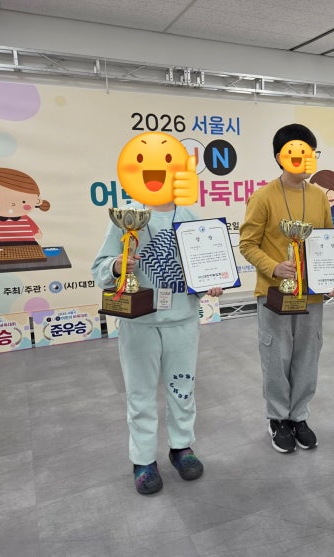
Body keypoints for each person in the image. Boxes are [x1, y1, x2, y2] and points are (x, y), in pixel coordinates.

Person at [92, 131, 222, 494]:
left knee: (182, 388)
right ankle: (143, 459)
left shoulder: (190, 215)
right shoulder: (127, 215)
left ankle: (182, 447)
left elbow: (203, 264)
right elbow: (100, 268)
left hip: (183, 320)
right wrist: (118, 266)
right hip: (140, 323)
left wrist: (213, 281)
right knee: (140, 393)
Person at [239, 123, 334, 454]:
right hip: (275, 294)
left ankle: (299, 416)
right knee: (276, 356)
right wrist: (273, 267)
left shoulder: (319, 197)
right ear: (279, 157)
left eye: (309, 152)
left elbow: (327, 241)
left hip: (311, 295)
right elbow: (247, 244)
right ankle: (277, 418)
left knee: (308, 355)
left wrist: (332, 278)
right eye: (296, 152)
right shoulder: (263, 197)